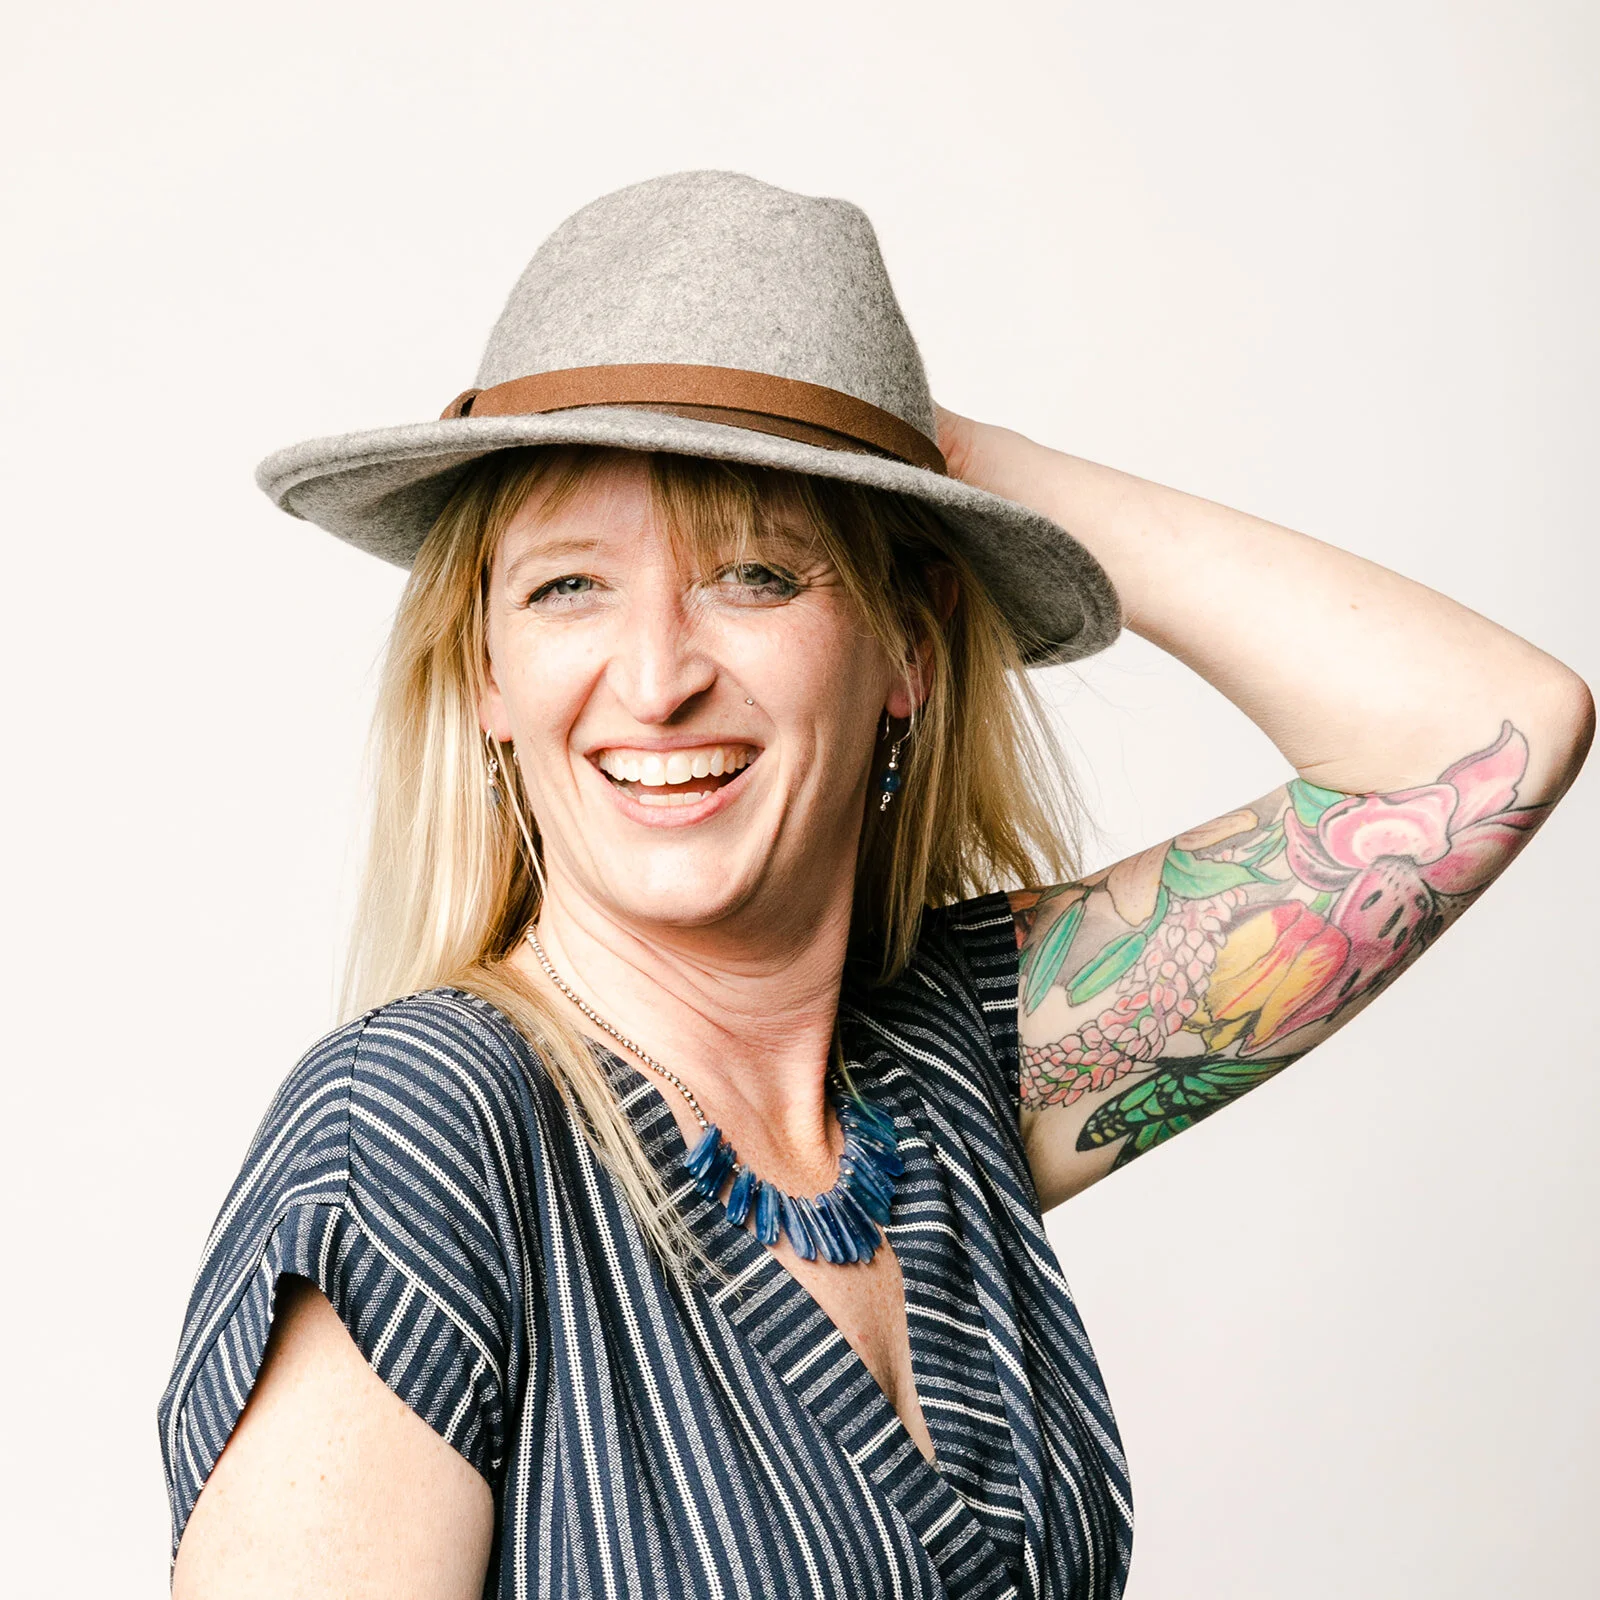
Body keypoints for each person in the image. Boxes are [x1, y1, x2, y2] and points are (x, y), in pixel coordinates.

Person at [156, 171, 1593, 1600]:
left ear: (908, 647)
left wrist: (953, 461)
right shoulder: (419, 1133)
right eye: (567, 588)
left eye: (758, 576)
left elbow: (1485, 734)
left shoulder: (950, 1062)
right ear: (485, 671)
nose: (656, 681)